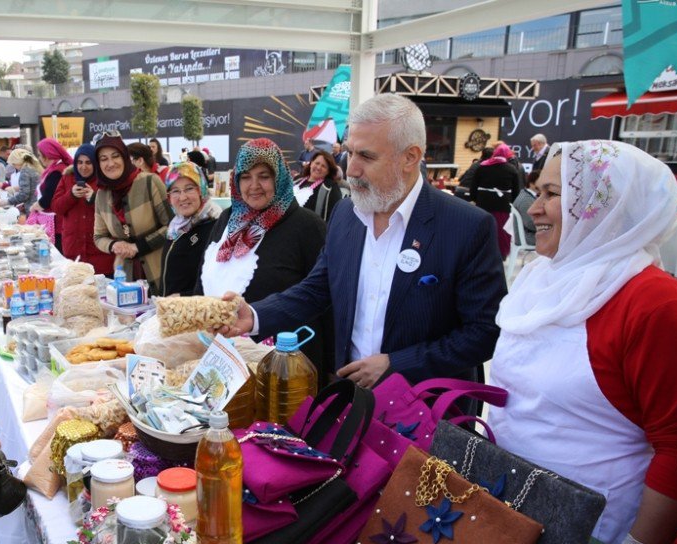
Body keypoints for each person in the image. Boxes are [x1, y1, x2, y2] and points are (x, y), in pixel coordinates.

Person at [216, 94, 506, 389]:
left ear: (410, 157)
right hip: (352, 402)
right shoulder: (347, 214)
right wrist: (254, 315)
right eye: (350, 153)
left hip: (424, 414)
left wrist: (397, 365)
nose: (351, 169)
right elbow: (317, 289)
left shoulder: (466, 227)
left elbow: (485, 333)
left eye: (366, 157)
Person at [489, 140, 677, 544]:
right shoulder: (541, 276)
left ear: (605, 205)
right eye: (536, 192)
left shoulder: (655, 302)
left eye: (552, 194)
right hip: (508, 508)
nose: (532, 208)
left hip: (593, 535)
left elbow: (676, 444)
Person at [195, 138, 330, 380]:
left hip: (284, 371)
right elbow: (203, 278)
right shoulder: (227, 219)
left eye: (264, 176)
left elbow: (325, 298)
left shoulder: (306, 226)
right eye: (245, 176)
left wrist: (328, 371)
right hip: (222, 361)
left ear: (279, 177)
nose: (253, 185)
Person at [93, 134, 172, 289]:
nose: (110, 163)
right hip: (125, 279)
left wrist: (137, 247)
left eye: (115, 156)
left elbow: (172, 227)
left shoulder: (149, 182)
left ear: (124, 157)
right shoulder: (101, 195)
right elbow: (98, 237)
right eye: (103, 159)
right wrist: (114, 245)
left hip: (159, 273)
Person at [160, 162, 222, 296]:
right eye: (175, 191)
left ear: (201, 190)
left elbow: (217, 283)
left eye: (189, 189)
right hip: (171, 311)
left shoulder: (214, 227)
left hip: (194, 313)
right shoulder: (176, 225)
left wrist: (183, 298)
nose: (183, 197)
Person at [52, 143, 114, 276]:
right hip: (74, 252)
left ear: (95, 163)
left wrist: (94, 198)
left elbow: (115, 212)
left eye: (88, 162)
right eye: (79, 162)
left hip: (100, 254)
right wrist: (71, 195)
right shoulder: (67, 178)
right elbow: (57, 208)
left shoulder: (105, 181)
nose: (83, 167)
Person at [471, 143, 522, 259]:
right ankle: (501, 254)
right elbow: (516, 192)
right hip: (502, 206)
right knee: (501, 231)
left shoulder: (482, 167)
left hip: (483, 204)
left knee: (483, 229)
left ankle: (481, 253)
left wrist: (476, 199)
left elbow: (473, 188)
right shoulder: (512, 169)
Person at [30, 138, 73, 250]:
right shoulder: (55, 168)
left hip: (57, 223)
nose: (39, 158)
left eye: (40, 155)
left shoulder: (57, 171)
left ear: (47, 155)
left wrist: (34, 207)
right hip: (56, 220)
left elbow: (48, 198)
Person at [295, 149, 343, 224]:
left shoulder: (330, 188)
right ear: (311, 164)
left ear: (328, 171)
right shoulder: (296, 181)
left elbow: (334, 218)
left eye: (323, 166)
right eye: (317, 163)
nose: (319, 167)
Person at [511, 169, 540, 245]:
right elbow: (530, 224)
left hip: (527, 235)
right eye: (541, 182)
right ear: (531, 183)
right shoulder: (526, 200)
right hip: (527, 237)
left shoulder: (528, 196)